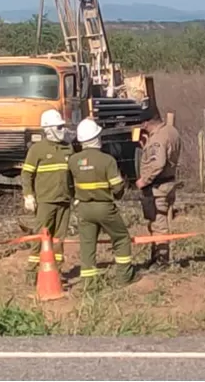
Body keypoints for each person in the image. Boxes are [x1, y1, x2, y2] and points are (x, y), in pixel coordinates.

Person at [69, 118, 136, 286]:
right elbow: (117, 187)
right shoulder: (108, 160)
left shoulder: (73, 161)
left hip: (83, 208)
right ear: (97, 138)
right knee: (120, 238)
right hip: (104, 207)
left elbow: (68, 184)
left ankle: (89, 284)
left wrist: (75, 199)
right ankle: (124, 277)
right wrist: (119, 194)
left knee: (87, 244)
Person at [21, 109, 74, 281]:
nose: (62, 130)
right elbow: (27, 174)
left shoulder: (68, 148)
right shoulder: (38, 150)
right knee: (41, 237)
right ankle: (32, 273)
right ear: (48, 128)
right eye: (58, 127)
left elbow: (73, 174)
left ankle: (56, 272)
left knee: (59, 239)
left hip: (64, 200)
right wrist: (28, 195)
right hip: (45, 201)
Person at [135, 110, 182, 269]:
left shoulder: (157, 138)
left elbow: (158, 162)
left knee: (158, 224)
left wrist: (144, 180)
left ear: (146, 123)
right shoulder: (171, 131)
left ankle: (162, 261)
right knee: (160, 221)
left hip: (157, 187)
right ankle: (156, 258)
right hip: (169, 183)